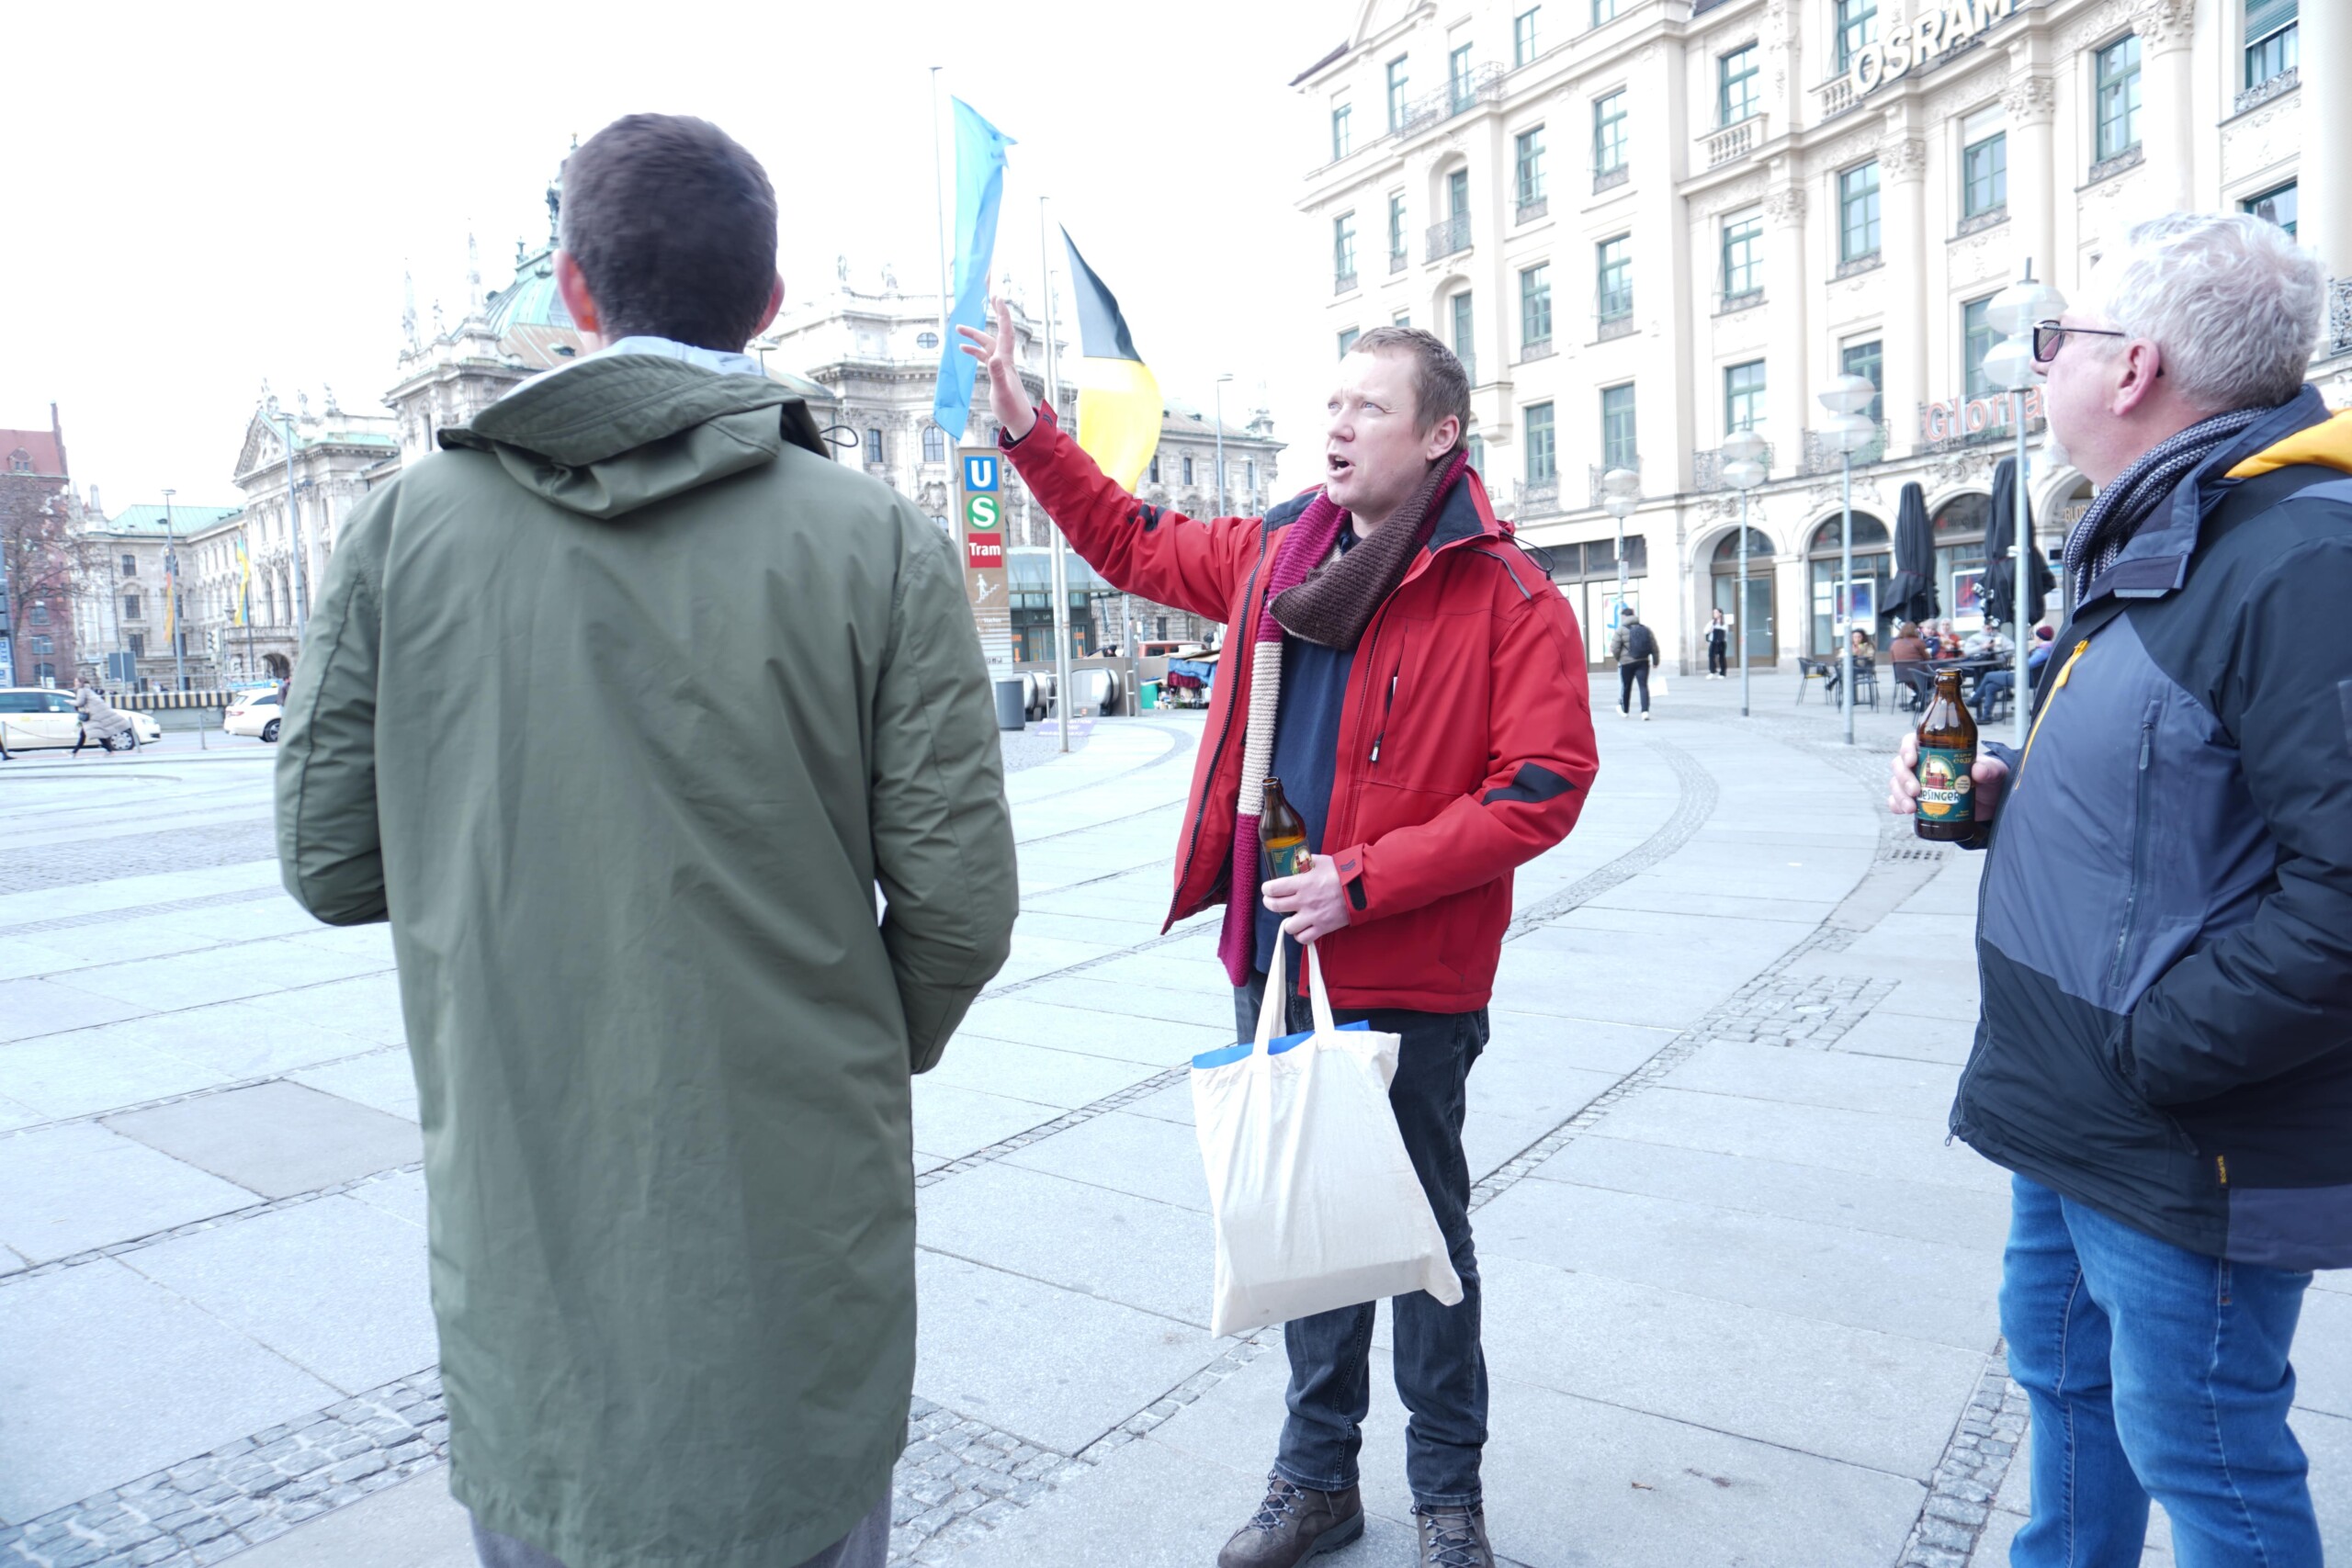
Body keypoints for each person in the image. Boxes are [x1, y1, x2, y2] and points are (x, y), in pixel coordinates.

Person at [276, 114, 1019, 1568]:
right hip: (793, 1193)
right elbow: (961, 908)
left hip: (529, 1188)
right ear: (768, 294)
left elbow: (331, 859)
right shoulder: (872, 537)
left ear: (574, 289)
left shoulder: (403, 528)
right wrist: (846, 1039)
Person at [964, 310, 1596, 1568]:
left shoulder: (1505, 593)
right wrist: (1030, 428)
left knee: (1420, 1243)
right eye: (1335, 403)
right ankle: (1315, 1478)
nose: (1339, 423)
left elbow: (1545, 782)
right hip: (1275, 956)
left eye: (1370, 406)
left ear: (1440, 434)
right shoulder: (1277, 553)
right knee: (1305, 1230)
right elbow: (1131, 541)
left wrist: (1365, 879)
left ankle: (1448, 1495)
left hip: (1403, 967)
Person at [1889, 212, 2352, 1567]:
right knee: (2070, 1392)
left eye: (2055, 341)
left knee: (2203, 1447)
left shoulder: (2301, 555)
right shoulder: (2177, 525)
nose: (2040, 371)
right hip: (2081, 1098)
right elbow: (2187, 780)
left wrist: (2155, 1049)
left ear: (2133, 366)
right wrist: (2009, 789)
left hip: (2180, 1117)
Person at [1969, 625, 2052, 722]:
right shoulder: (2048, 648)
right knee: (1990, 687)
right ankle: (1986, 716)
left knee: (1989, 675)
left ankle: (1974, 699)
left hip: (2025, 679)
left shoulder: (2042, 651)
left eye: (2035, 635)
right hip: (2028, 677)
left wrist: (2020, 658)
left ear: (2039, 637)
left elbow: (2026, 665)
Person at [1611, 607, 1658, 718]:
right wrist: (1656, 660)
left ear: (1624, 617)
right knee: (1643, 686)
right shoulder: (1645, 629)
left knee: (1626, 686)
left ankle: (1625, 710)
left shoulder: (1621, 630)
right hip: (1643, 661)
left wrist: (1619, 659)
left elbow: (1615, 648)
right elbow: (1654, 646)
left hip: (1626, 663)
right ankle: (1645, 712)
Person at [71, 682, 133, 755]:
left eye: (76, 681)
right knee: (94, 734)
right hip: (92, 717)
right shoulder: (90, 691)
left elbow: (80, 703)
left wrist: (70, 702)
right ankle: (109, 750)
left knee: (89, 734)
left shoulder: (83, 691)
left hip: (91, 717)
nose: (75, 683)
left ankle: (74, 752)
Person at [1704, 607, 1728, 678]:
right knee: (1711, 656)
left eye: (1716, 612)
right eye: (1714, 613)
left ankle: (1722, 673)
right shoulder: (1712, 622)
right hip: (1713, 642)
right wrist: (1710, 630)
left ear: (1720, 613)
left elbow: (1725, 631)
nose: (1714, 614)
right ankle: (1712, 671)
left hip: (1721, 642)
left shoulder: (1724, 622)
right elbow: (1705, 630)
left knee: (1721, 657)